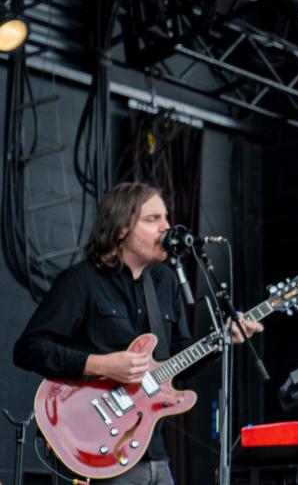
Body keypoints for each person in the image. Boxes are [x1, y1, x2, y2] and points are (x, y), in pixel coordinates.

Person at [14, 181, 263, 484]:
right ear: (121, 229)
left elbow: (178, 359)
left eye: (166, 217)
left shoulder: (165, 281)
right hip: (96, 446)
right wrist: (102, 365)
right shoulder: (81, 282)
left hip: (151, 447)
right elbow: (29, 348)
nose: (166, 227)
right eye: (153, 219)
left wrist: (222, 341)